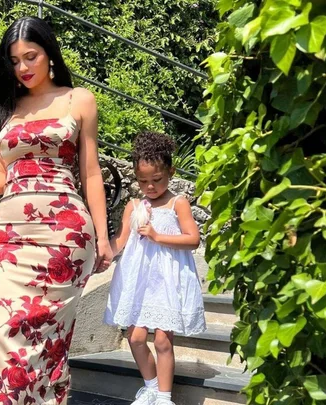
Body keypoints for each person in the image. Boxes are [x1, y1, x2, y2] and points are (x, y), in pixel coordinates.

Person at [0, 16, 114, 405]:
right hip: (9, 236)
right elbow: (0, 174)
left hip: (63, 236)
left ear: (50, 55)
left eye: (31, 56)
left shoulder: (79, 99)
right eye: (14, 60)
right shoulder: (8, 106)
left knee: (48, 344)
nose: (23, 68)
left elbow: (90, 173)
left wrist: (103, 236)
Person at [103, 132, 207, 405]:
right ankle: (150, 386)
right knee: (135, 337)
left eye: (157, 180)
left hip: (167, 280)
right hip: (141, 281)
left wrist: (158, 236)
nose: (149, 186)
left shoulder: (178, 203)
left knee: (162, 340)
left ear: (171, 172)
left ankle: (163, 396)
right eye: (142, 181)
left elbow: (193, 239)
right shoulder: (134, 205)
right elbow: (121, 241)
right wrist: (100, 254)